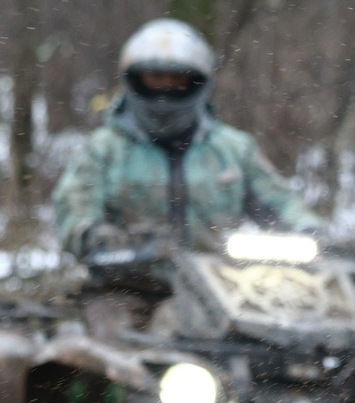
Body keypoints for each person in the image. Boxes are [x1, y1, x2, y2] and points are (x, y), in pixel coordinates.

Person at [51, 18, 319, 265]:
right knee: (119, 317)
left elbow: (278, 201)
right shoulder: (104, 148)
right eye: (155, 77)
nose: (166, 88)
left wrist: (312, 232)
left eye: (177, 78)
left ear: (197, 81)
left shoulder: (233, 149)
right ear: (135, 79)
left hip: (218, 284)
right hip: (127, 285)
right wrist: (98, 238)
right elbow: (75, 206)